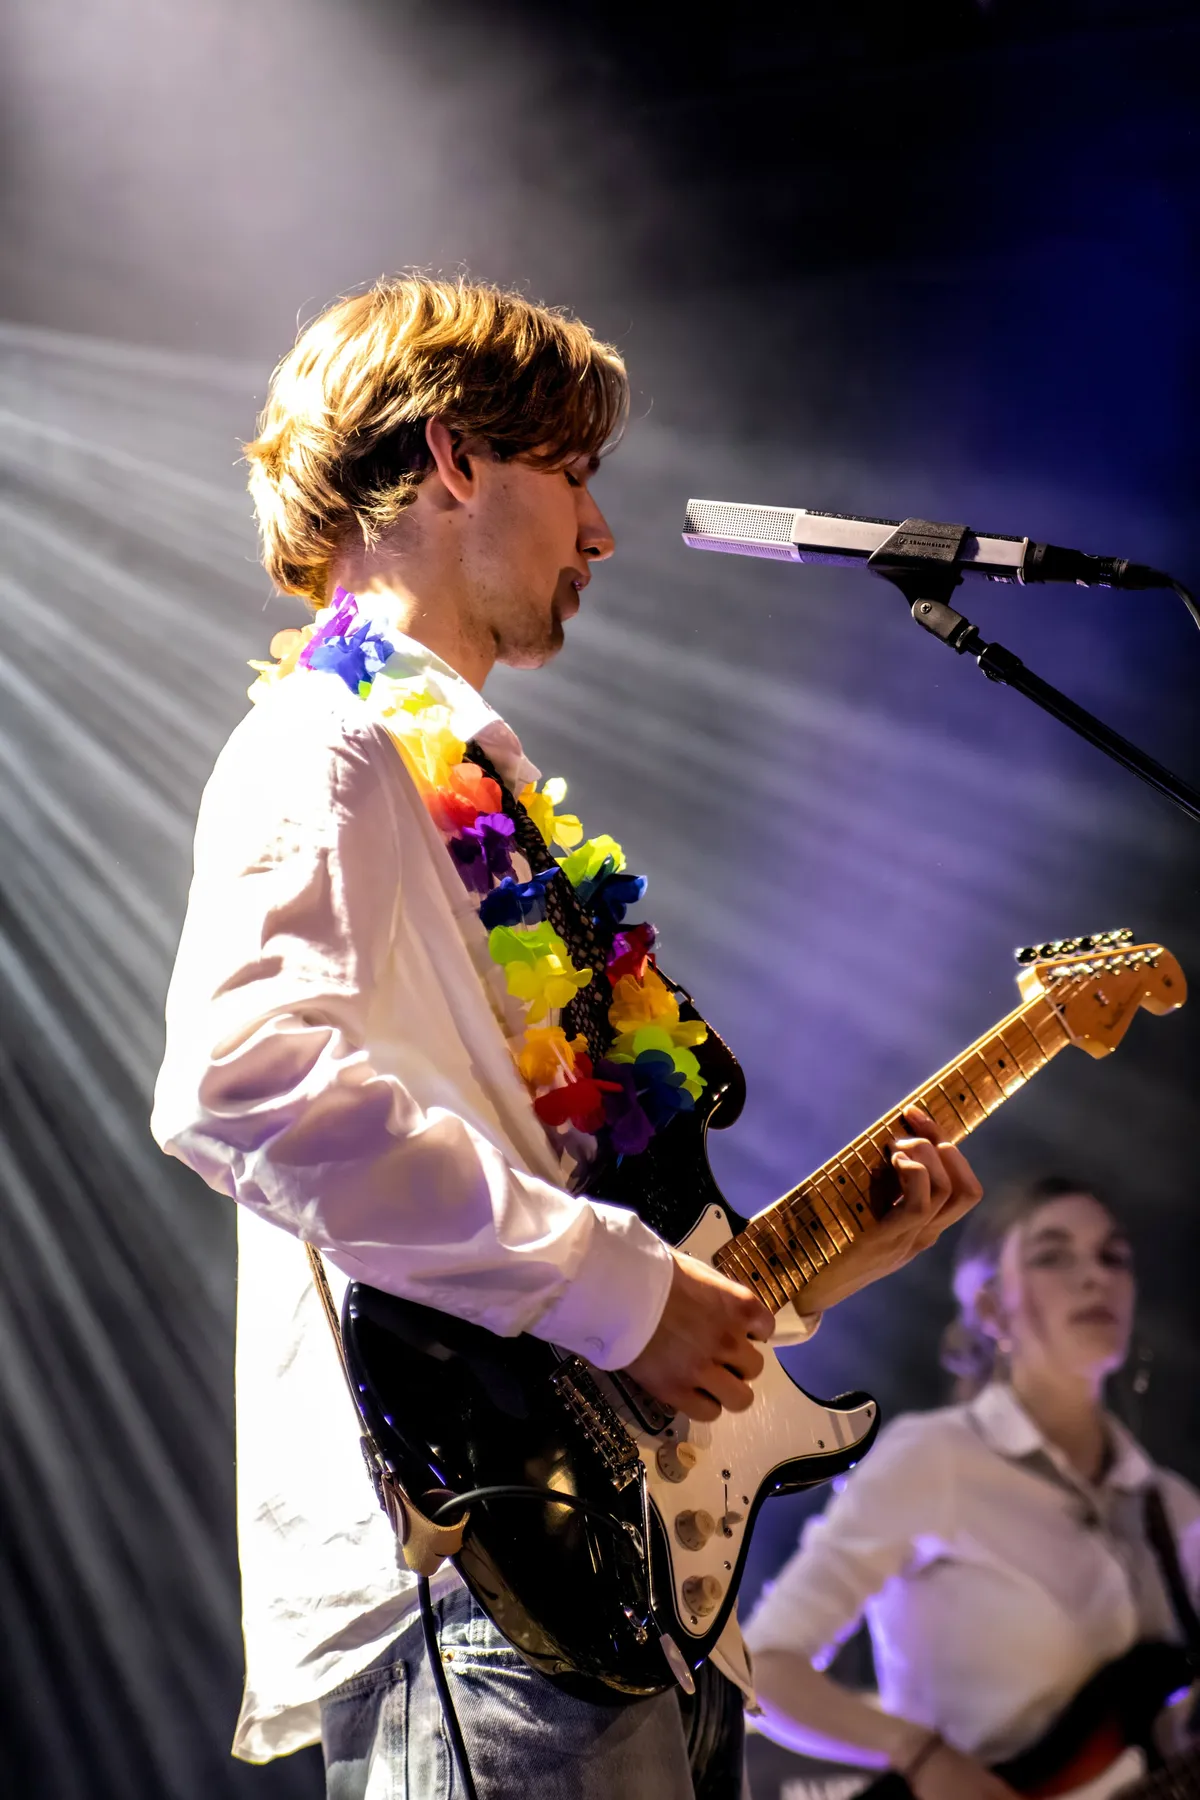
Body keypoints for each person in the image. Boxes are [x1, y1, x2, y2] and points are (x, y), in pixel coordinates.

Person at [151, 274, 982, 1800]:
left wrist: (805, 1272)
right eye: (576, 474)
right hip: (483, 1584)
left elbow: (595, 1233)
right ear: (454, 456)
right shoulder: (324, 744)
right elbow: (244, 1084)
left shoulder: (481, 787)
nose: (600, 533)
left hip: (632, 1594)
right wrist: (617, 1286)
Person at [745, 1175, 1200, 1800]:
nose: (1095, 1277)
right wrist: (919, 1755)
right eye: (1052, 1256)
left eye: (1113, 1257)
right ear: (990, 1309)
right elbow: (764, 1668)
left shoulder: (1172, 1509)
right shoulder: (935, 1459)